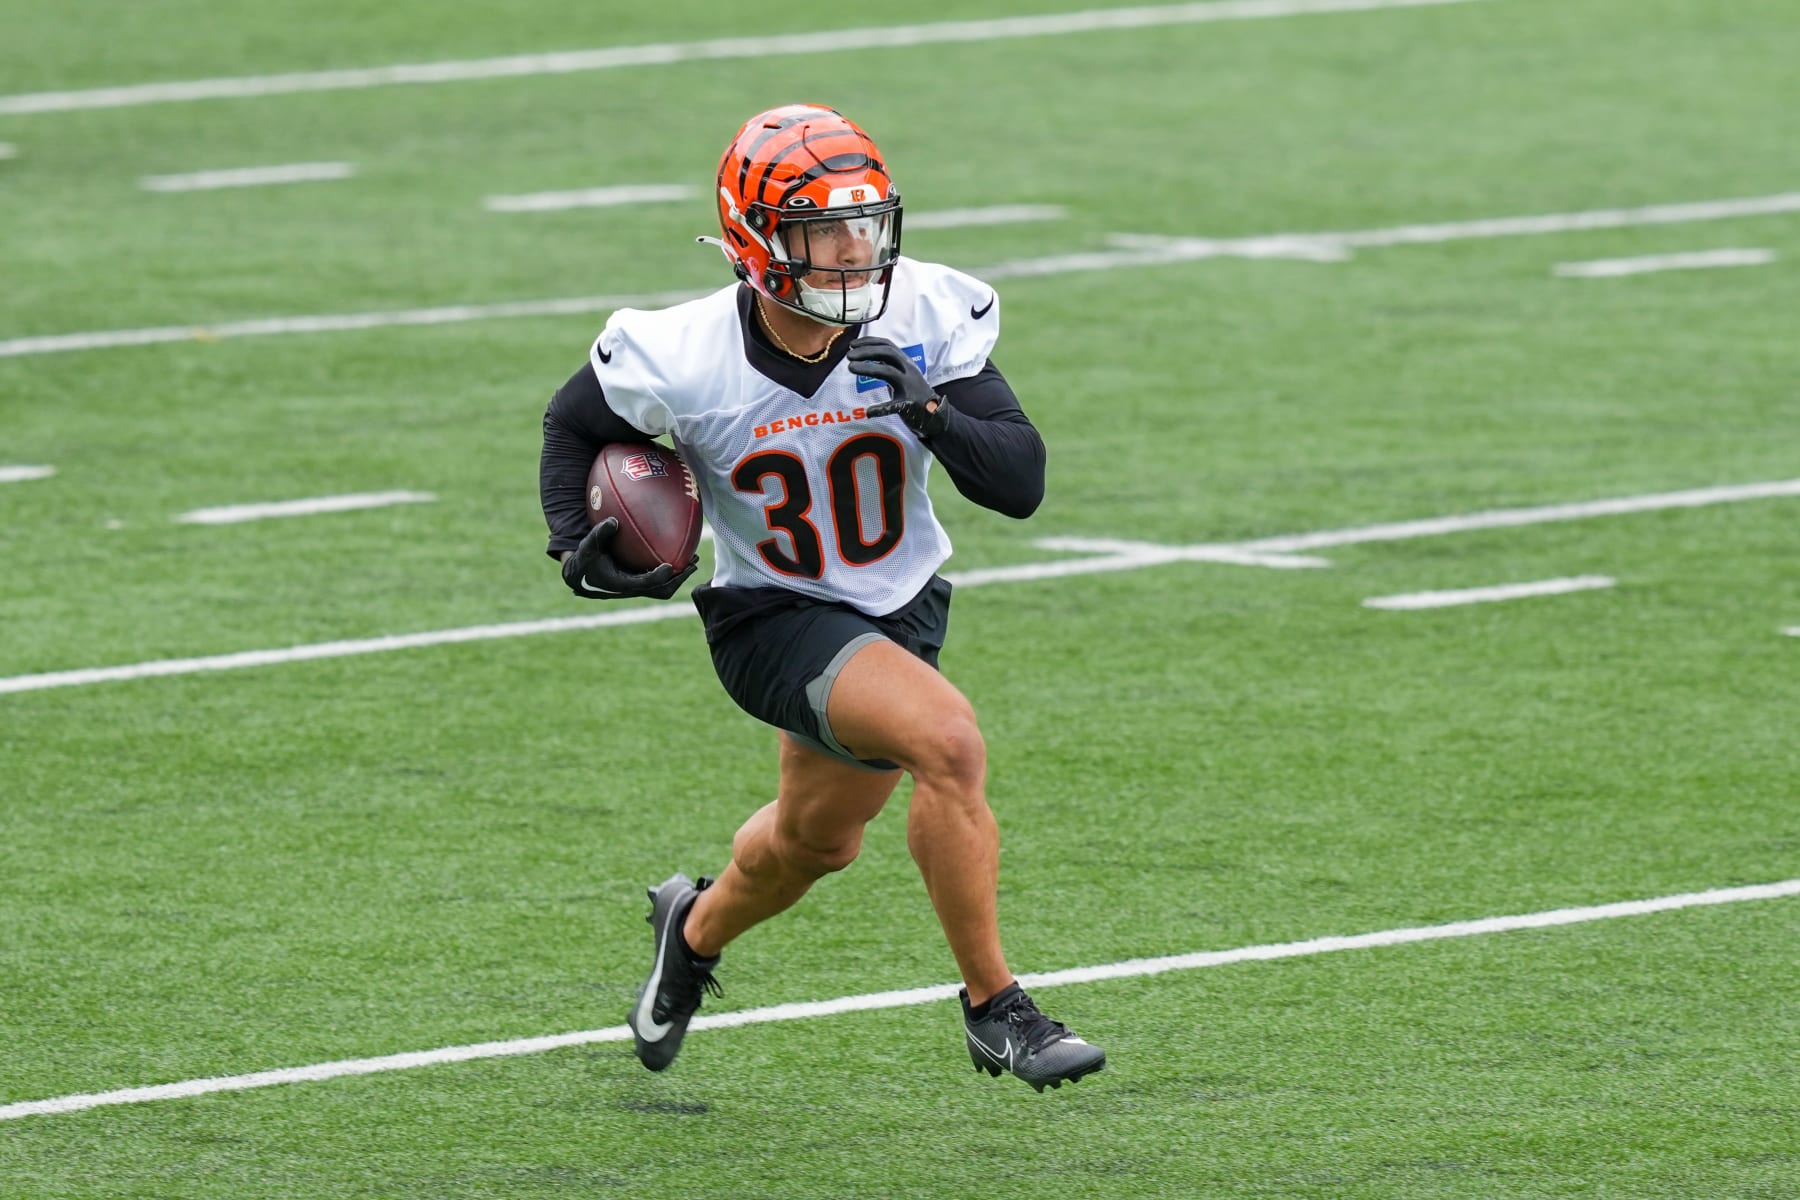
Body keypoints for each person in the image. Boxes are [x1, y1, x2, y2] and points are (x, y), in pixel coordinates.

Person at [537, 104, 1104, 1091]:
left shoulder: (924, 312)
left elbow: (1021, 483)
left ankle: (691, 931)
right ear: (757, 240)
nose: (852, 251)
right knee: (949, 743)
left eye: (865, 224)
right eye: (822, 231)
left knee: (813, 844)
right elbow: (572, 424)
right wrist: (570, 540)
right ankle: (996, 1008)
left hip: (902, 607)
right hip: (772, 616)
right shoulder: (680, 351)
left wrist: (932, 413)